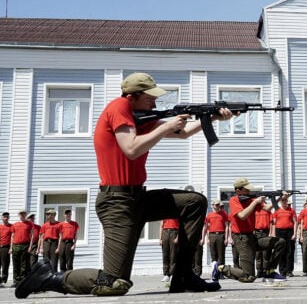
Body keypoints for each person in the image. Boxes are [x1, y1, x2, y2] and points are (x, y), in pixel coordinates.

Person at [16, 72, 230, 299]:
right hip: (116, 203)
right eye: (150, 98)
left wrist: (213, 117)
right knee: (114, 282)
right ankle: (48, 278)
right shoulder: (119, 107)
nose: (155, 103)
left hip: (138, 198)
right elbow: (131, 149)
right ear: (132, 96)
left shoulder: (139, 117)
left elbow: (184, 133)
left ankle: (184, 275)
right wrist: (164, 127)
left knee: (194, 202)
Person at [218, 177, 286, 283]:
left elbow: (268, 208)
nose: (249, 191)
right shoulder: (234, 200)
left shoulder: (251, 200)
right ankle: (220, 268)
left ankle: (270, 271)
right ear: (238, 191)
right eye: (246, 189)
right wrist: (255, 202)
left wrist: (278, 198)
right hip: (242, 239)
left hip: (253, 237)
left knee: (280, 242)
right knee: (248, 277)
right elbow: (242, 215)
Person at [271, 196, 297, 277]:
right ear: (280, 202)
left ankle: (289, 270)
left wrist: (295, 234)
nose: (284, 201)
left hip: (289, 231)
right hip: (279, 232)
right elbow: (274, 224)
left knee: (289, 251)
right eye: (282, 200)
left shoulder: (291, 210)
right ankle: (282, 271)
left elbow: (295, 222)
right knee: (281, 251)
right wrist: (273, 234)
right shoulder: (277, 211)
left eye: (285, 200)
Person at [201, 200, 230, 271]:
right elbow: (207, 228)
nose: (217, 206)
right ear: (213, 206)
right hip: (212, 235)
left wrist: (226, 238)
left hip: (221, 235)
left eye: (218, 205)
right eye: (216, 205)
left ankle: (221, 272)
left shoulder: (224, 214)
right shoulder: (209, 215)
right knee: (213, 254)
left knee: (221, 255)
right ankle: (215, 271)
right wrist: (207, 239)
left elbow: (227, 226)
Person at [10, 210, 33, 286]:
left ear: (26, 215)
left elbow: (32, 236)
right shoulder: (15, 225)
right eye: (21, 214)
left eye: (24, 214)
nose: (22, 215)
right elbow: (12, 236)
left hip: (25, 245)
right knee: (16, 264)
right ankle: (16, 281)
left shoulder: (29, 224)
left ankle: (23, 280)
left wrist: (30, 246)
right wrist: (11, 247)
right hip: (16, 246)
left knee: (24, 264)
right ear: (18, 215)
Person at [254, 202, 273, 278]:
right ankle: (259, 271)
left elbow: (271, 223)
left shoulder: (268, 211)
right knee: (258, 253)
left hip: (266, 232)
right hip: (257, 232)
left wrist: (271, 233)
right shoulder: (255, 211)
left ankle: (265, 270)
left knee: (265, 253)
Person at [159, 218, 179, 282]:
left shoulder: (176, 213)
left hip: (174, 232)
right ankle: (166, 274)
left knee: (173, 254)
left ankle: (172, 274)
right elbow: (161, 225)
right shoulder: (165, 213)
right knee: (165, 254)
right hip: (165, 232)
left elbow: (181, 225)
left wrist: (177, 237)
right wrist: (160, 238)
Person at [0, 212, 11, 286]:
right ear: (1, 218)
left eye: (7, 217)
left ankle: (3, 280)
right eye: (4, 217)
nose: (6, 218)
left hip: (6, 247)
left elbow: (13, 237)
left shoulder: (11, 226)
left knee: (5, 264)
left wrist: (11, 248)